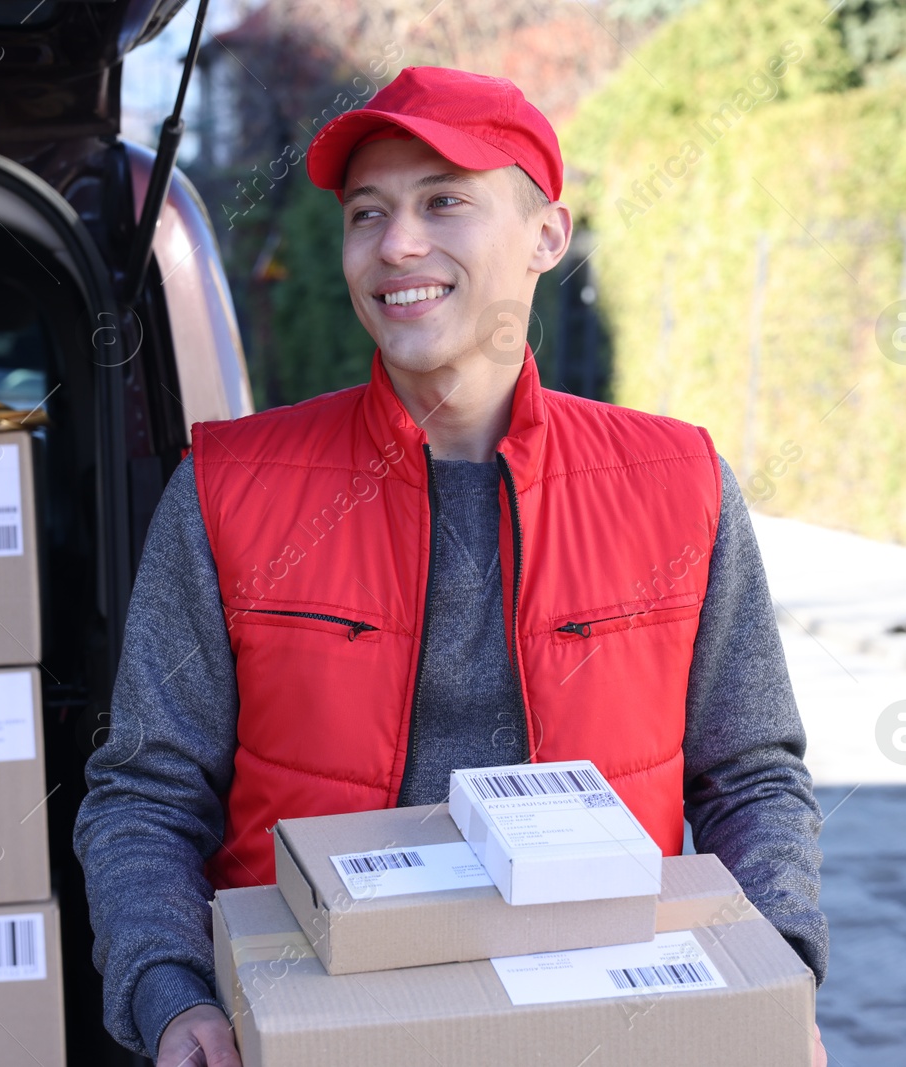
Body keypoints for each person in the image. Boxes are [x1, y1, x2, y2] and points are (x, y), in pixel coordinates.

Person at [75, 66, 829, 1067]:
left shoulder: (677, 482)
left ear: (546, 237)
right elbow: (146, 790)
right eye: (366, 213)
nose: (396, 245)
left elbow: (750, 774)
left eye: (444, 202)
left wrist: (772, 976)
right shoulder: (227, 488)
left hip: (604, 1032)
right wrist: (171, 994)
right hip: (315, 1033)